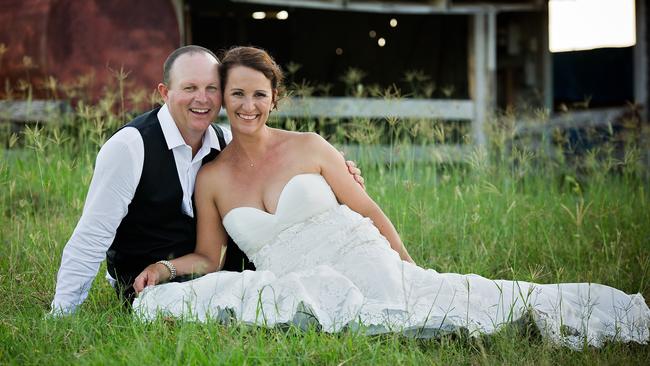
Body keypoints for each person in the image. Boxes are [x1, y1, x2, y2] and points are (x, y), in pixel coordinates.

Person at [132, 46, 649, 349]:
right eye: (236, 94)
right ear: (221, 98)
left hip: (362, 255)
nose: (247, 105)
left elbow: (369, 209)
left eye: (258, 94)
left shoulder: (309, 146)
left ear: (274, 99)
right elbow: (209, 256)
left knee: (451, 303)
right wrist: (165, 268)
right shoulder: (212, 177)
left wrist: (410, 270)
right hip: (296, 275)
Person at [49, 45, 365, 315]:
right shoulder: (130, 148)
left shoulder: (227, 143)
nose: (202, 99)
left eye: (211, 88)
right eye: (189, 88)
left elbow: (282, 184)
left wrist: (336, 178)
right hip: (148, 285)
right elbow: (91, 237)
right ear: (165, 92)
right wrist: (63, 313)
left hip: (224, 277)